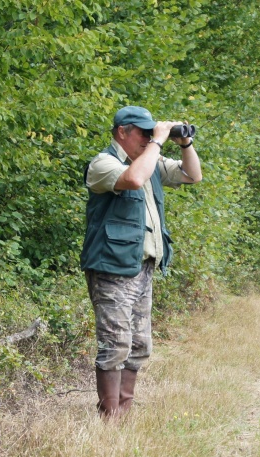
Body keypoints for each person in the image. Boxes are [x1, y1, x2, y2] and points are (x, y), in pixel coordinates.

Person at [80, 105, 202, 419]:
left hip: (142, 266)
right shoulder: (104, 163)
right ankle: (109, 419)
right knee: (116, 344)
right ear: (123, 131)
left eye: (152, 132)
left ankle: (122, 414)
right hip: (112, 268)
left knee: (138, 345)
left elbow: (193, 175)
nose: (149, 138)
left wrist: (184, 143)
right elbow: (133, 179)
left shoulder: (149, 162)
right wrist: (159, 142)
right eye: (144, 133)